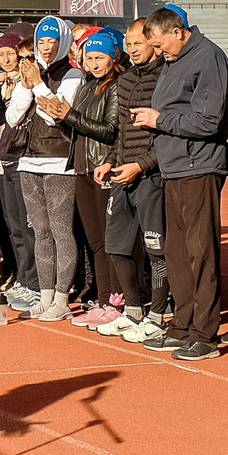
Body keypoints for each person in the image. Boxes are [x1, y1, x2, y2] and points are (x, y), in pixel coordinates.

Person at [132, 5, 228, 361]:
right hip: (174, 168)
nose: (159, 54)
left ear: (178, 31)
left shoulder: (209, 57)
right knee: (177, 253)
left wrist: (159, 119)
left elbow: (208, 120)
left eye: (160, 46)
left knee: (200, 252)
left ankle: (205, 334)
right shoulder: (175, 61)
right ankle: (182, 325)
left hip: (198, 167)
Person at [8, 15, 87, 321]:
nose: (47, 47)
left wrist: (38, 83)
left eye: (53, 40)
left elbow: (55, 116)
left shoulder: (72, 75)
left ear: (64, 41)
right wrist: (28, 85)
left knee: (61, 231)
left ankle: (63, 298)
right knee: (40, 232)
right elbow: (13, 117)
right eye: (41, 41)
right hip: (28, 161)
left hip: (59, 161)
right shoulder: (31, 72)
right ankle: (45, 295)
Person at [96, 18, 171, 343]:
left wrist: (140, 166)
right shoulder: (124, 80)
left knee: (155, 249)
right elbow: (121, 133)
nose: (132, 48)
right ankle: (134, 311)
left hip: (152, 177)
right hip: (121, 176)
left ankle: (157, 315)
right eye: (128, 43)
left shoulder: (165, 78)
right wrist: (110, 161)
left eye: (137, 42)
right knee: (116, 246)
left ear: (154, 43)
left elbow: (166, 137)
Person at [64, 30, 128, 328]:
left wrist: (70, 116)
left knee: (109, 240)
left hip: (102, 166)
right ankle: (103, 300)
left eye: (100, 57)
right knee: (94, 241)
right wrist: (62, 116)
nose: (94, 63)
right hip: (81, 166)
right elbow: (77, 128)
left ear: (113, 57)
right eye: (89, 58)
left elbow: (109, 130)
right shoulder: (89, 86)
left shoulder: (116, 85)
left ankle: (117, 301)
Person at [0, 28, 39, 308]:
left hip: (24, 158)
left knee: (29, 228)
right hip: (6, 159)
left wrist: (10, 91)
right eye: (1, 55)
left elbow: (14, 118)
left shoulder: (27, 81)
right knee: (14, 228)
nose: (6, 59)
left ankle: (34, 282)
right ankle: (22, 277)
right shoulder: (1, 83)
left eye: (11, 53)